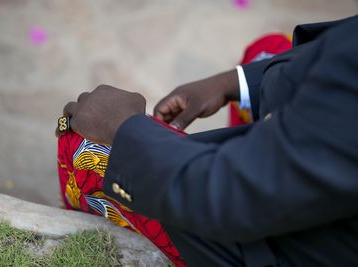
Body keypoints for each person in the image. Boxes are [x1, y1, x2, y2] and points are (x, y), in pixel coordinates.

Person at [58, 16, 358, 266]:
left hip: (288, 242)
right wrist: (233, 83)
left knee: (82, 145)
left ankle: (83, 222)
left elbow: (234, 197)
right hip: (309, 176)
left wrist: (122, 129)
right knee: (266, 51)